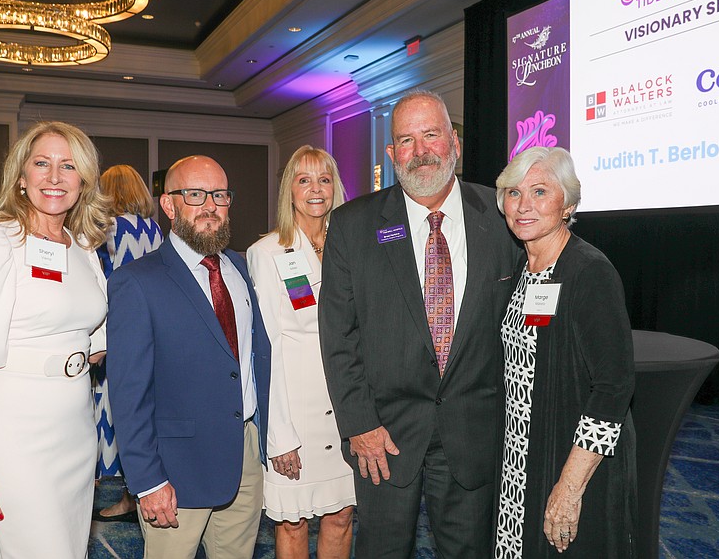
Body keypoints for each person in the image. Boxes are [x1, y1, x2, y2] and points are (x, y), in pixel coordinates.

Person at [318, 90, 521, 558]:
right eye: (406, 140)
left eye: (431, 134)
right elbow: (338, 337)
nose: (421, 150)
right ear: (391, 155)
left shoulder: (502, 215)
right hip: (382, 439)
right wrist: (359, 424)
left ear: (455, 142)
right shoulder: (352, 225)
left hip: (475, 433)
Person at [0, 121, 110, 559]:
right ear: (21, 176)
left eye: (68, 166)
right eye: (42, 164)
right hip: (14, 435)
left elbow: (94, 343)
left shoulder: (83, 246)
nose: (54, 177)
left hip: (75, 431)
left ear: (83, 179)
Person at [106, 155, 272, 559]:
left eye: (219, 194)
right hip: (176, 469)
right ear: (169, 205)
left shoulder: (239, 266)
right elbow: (129, 394)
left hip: (245, 456)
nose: (210, 206)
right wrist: (147, 481)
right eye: (195, 195)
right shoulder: (137, 282)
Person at [493, 146, 637, 557]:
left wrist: (570, 486)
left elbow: (613, 386)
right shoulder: (522, 269)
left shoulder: (589, 271)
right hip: (521, 457)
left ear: (568, 204)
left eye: (540, 192)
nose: (523, 206)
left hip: (572, 461)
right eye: (513, 192)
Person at [247, 146, 355, 558]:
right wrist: (279, 437)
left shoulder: (352, 248)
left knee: (342, 517)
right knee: (292, 524)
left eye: (324, 179)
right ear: (288, 190)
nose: (315, 189)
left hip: (347, 406)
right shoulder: (267, 252)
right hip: (295, 411)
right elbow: (266, 349)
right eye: (304, 179)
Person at [93, 164, 164, 522]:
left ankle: (113, 491)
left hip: (114, 329)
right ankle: (135, 492)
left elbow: (101, 285)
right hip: (151, 328)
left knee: (112, 409)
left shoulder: (106, 230)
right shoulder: (154, 229)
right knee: (141, 409)